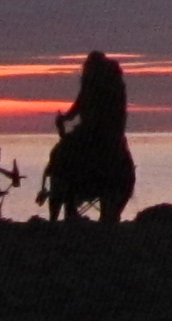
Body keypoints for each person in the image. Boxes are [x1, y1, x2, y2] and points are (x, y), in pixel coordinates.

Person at [46, 49, 135, 222]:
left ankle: (64, 202)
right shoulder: (115, 83)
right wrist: (67, 117)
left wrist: (65, 119)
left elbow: (79, 107)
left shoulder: (94, 82)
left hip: (94, 131)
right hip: (112, 133)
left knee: (62, 155)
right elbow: (80, 107)